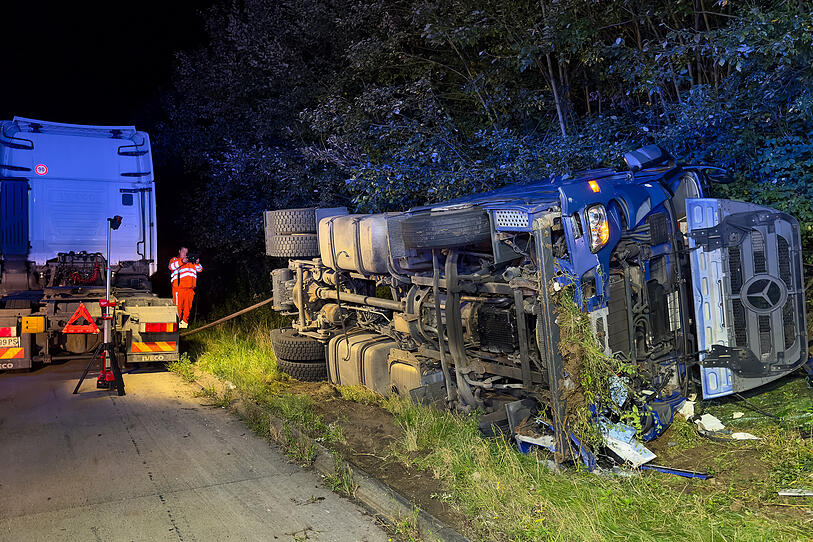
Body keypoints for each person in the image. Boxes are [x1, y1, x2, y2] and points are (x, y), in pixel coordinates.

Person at [169, 247, 202, 328]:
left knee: (188, 307)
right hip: (178, 289)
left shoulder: (192, 262)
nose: (185, 253)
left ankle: (184, 323)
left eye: (186, 252)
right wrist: (182, 261)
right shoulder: (175, 259)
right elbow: (171, 267)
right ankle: (176, 325)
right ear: (179, 251)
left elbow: (200, 269)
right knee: (178, 308)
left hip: (190, 289)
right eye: (183, 251)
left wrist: (197, 262)